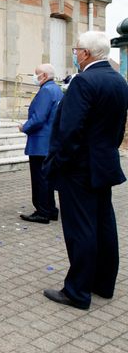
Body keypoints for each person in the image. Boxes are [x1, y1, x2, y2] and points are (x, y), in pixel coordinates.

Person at [43, 31, 128, 310]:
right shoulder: (118, 80)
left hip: (78, 168)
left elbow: (69, 131)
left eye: (76, 49)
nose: (75, 53)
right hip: (103, 163)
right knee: (103, 224)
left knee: (81, 228)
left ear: (86, 54)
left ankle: (78, 291)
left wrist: (58, 163)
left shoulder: (84, 81)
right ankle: (103, 283)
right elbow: (117, 128)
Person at [19, 64, 63, 224]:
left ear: (44, 75)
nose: (34, 76)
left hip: (41, 141)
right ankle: (50, 209)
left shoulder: (46, 91)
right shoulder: (56, 89)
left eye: (36, 74)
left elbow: (39, 117)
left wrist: (25, 127)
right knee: (47, 178)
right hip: (49, 141)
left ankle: (42, 211)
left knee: (40, 179)